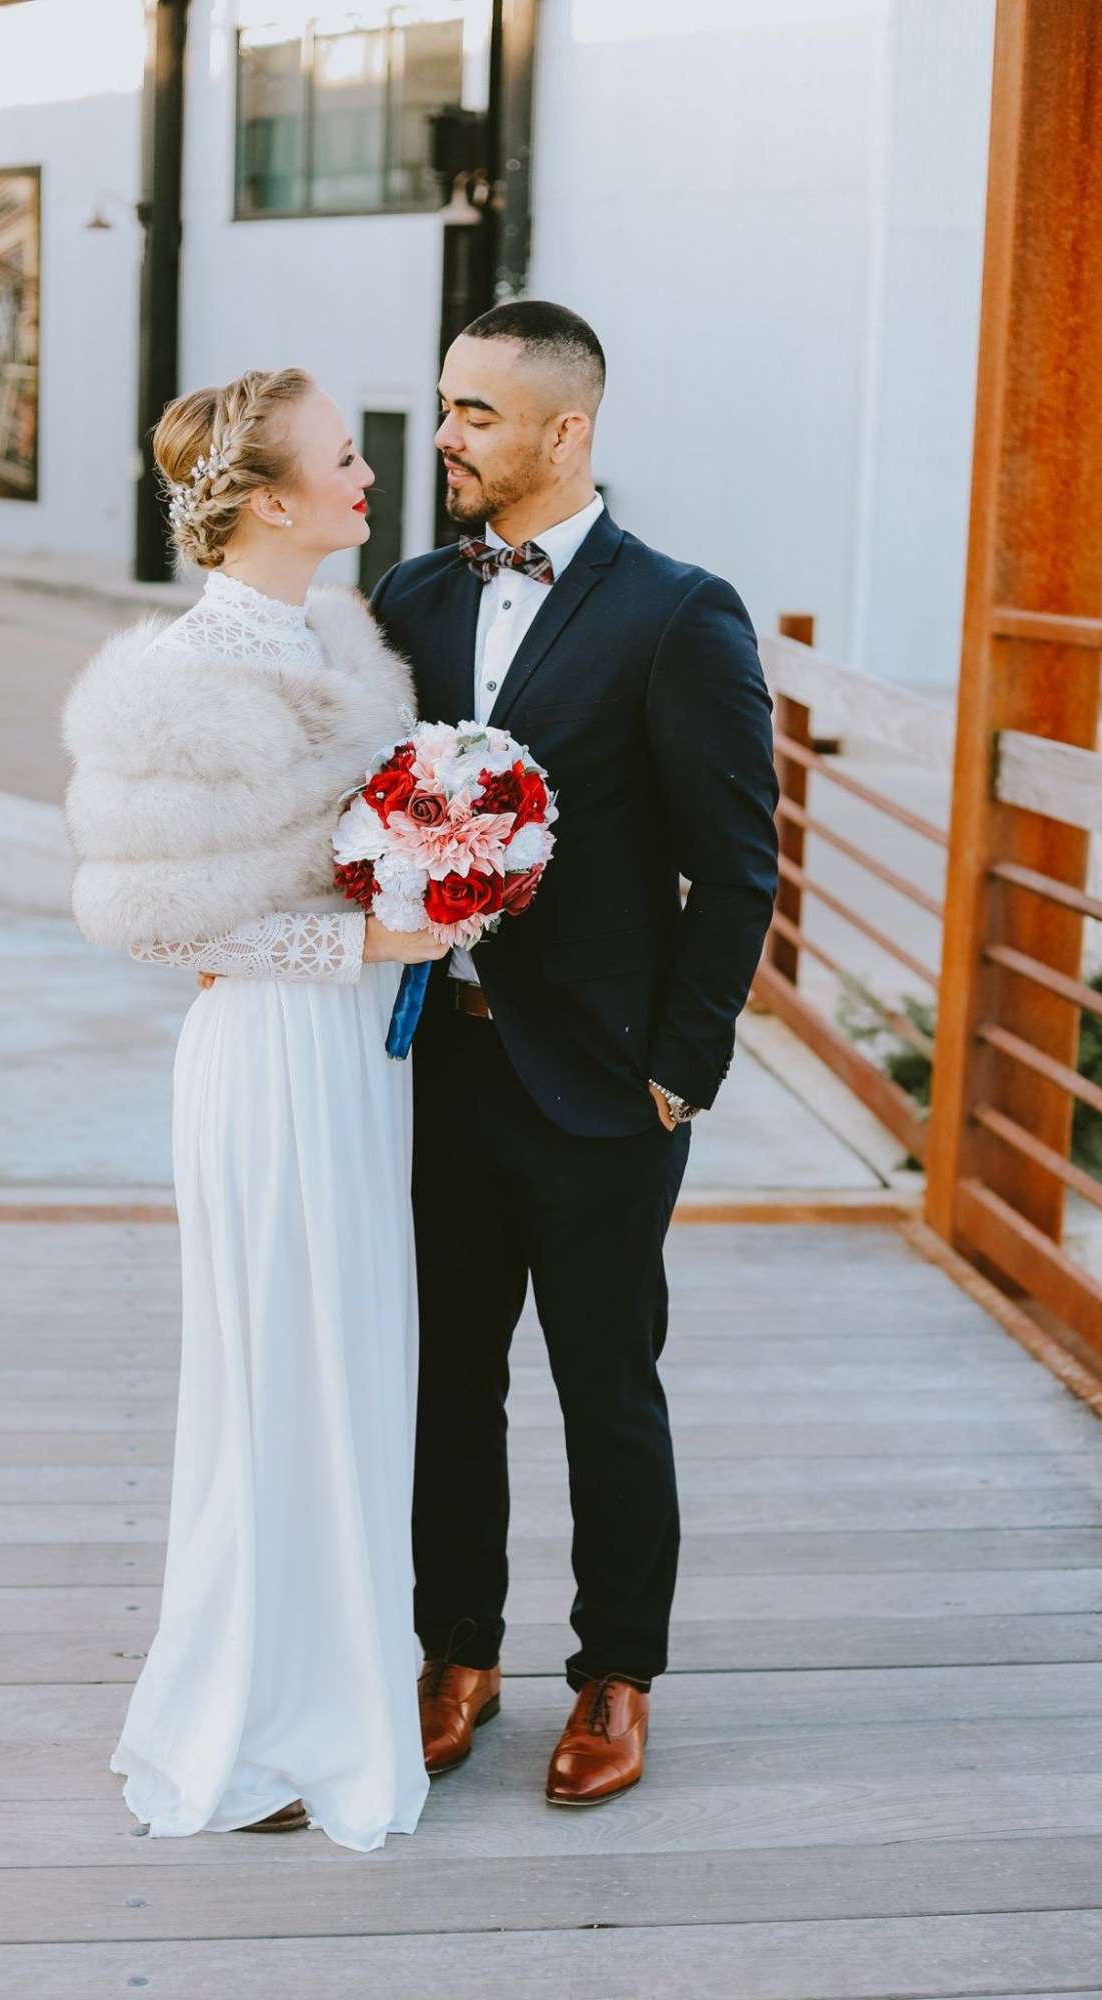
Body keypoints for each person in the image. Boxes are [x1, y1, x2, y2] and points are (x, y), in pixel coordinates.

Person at [370, 301, 780, 1806]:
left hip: (604, 1085)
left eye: (477, 413)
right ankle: (452, 1653)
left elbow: (736, 866)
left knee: (607, 1387)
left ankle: (616, 1675)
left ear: (566, 429)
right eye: (445, 407)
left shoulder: (679, 610)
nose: (450, 439)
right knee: (444, 1382)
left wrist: (682, 1067)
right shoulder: (408, 595)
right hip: (435, 1069)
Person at [62, 367, 445, 1853]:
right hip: (268, 1056)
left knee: (348, 1366)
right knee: (278, 1366)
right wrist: (356, 943)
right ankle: (259, 1711)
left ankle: (338, 1681)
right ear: (274, 500)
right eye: (347, 461)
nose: (369, 479)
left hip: (357, 1062)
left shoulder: (345, 642)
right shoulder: (177, 683)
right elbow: (148, 922)